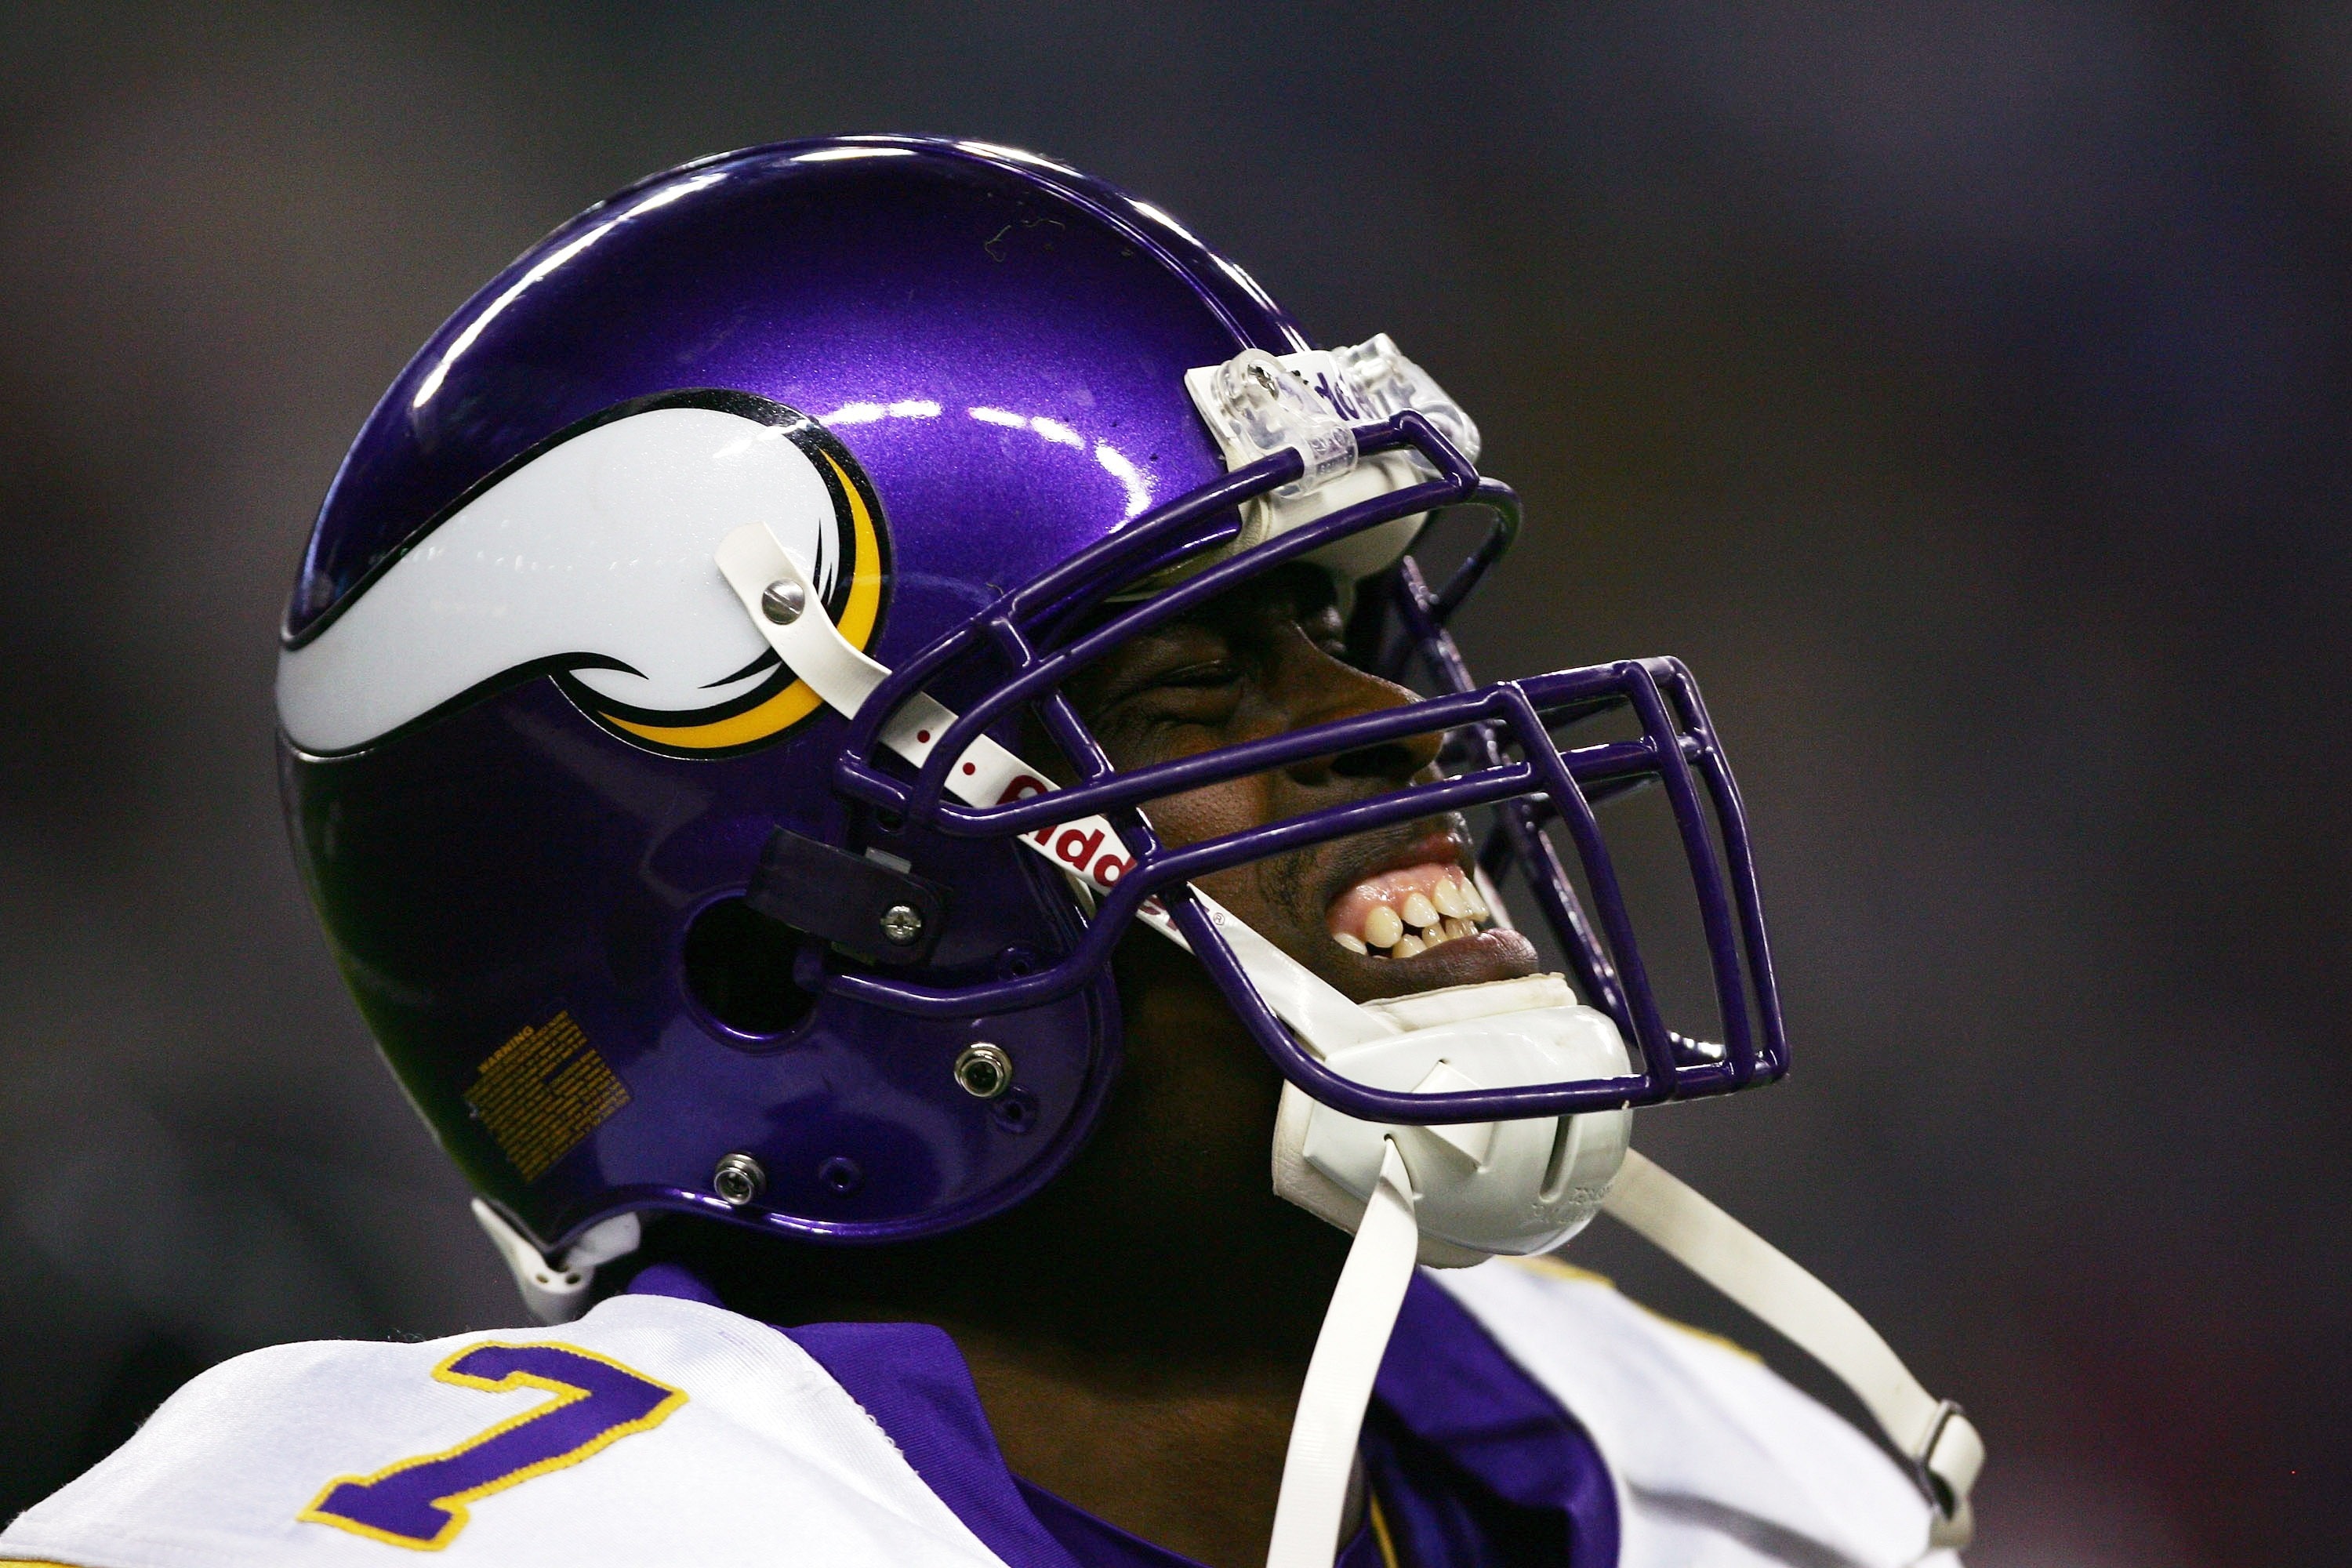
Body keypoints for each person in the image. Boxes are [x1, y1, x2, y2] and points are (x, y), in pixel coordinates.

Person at [0, 137, 1979, 1568]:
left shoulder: (1695, 1460)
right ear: (781, 949)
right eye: (1187, 691)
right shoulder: (562, 1538)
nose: (1395, 734)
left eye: (1352, 634)